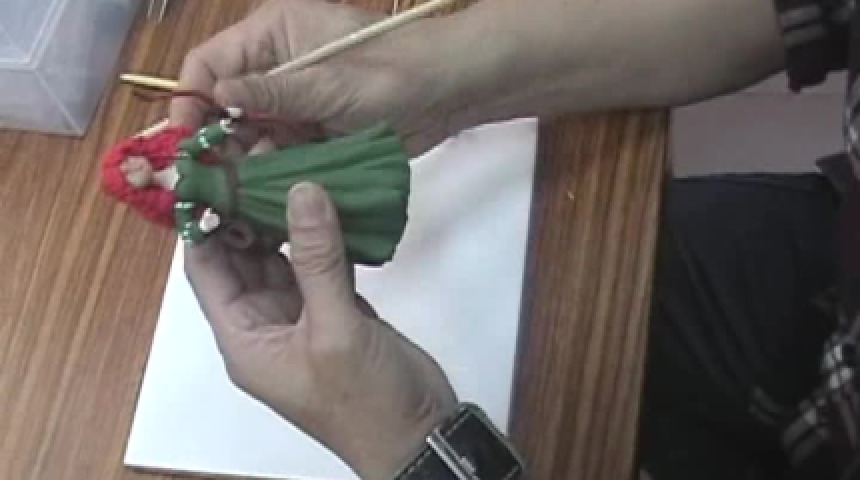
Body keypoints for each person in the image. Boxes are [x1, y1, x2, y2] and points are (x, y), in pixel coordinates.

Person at [172, 0, 856, 478]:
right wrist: (432, 72)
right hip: (833, 279)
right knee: (604, 272)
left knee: (568, 397)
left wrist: (415, 444)